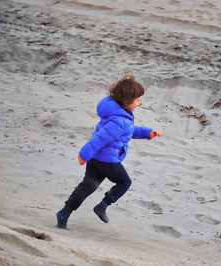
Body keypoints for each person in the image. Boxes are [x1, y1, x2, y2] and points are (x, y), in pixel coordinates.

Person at [56, 71, 161, 229]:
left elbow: (127, 131)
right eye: (138, 100)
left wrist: (146, 133)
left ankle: (64, 213)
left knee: (88, 186)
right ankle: (102, 206)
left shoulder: (116, 112)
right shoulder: (121, 120)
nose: (140, 103)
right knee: (124, 182)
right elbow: (100, 139)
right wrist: (83, 154)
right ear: (126, 101)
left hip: (96, 159)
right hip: (107, 160)